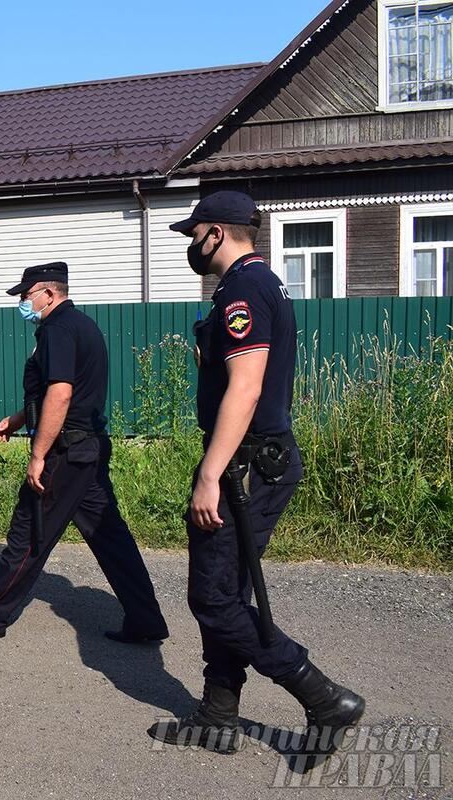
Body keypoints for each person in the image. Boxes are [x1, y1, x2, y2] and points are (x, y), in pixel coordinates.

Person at [150, 191, 364, 755]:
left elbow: (245, 390)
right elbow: (241, 376)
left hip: (246, 467)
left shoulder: (244, 289)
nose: (190, 245)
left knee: (215, 601)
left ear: (215, 233)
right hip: (257, 460)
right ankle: (218, 715)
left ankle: (322, 697)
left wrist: (209, 474)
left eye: (193, 234)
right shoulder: (256, 284)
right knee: (227, 590)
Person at [0, 262, 168, 642]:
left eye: (26, 296)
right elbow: (59, 393)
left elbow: (60, 395)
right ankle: (146, 620)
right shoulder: (82, 325)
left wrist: (38, 455)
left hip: (66, 453)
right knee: (111, 538)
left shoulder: (58, 330)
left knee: (30, 532)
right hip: (89, 450)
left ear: (49, 293)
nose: (23, 304)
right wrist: (17, 420)